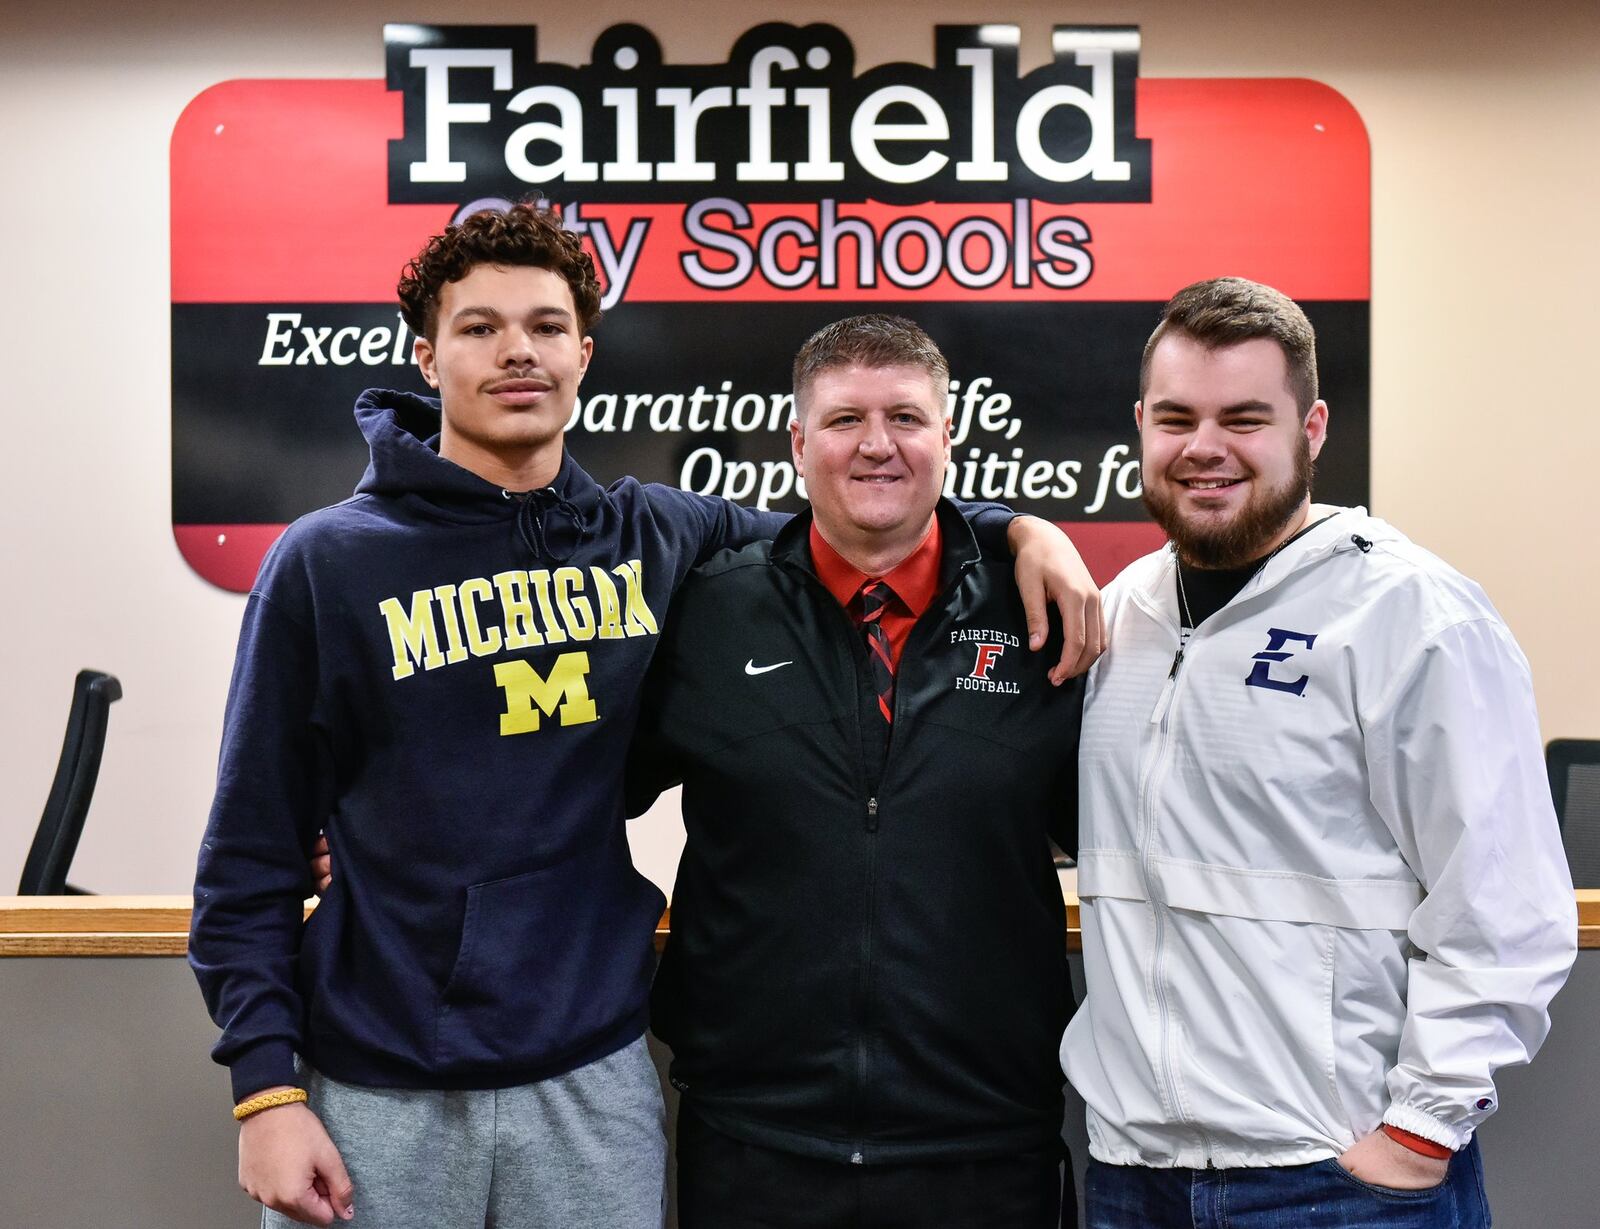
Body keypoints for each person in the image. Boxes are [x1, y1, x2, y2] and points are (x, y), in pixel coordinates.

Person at [189, 204, 1099, 1229]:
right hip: (380, 1077)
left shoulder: (657, 533)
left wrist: (1018, 527)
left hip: (593, 1073)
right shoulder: (325, 561)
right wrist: (265, 1088)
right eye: (479, 326)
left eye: (542, 325)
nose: (515, 351)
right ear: (425, 352)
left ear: (583, 352)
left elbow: (857, 515)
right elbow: (248, 853)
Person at [1061, 276, 1576, 1228]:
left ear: (1315, 427)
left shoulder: (1411, 613)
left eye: (1245, 418)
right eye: (1176, 417)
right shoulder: (1123, 610)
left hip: (1335, 1183)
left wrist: (1419, 1132)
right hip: (1134, 1175)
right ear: (1140, 423)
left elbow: (1506, 906)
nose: (1205, 447)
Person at [628, 315, 1084, 1228]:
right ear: (799, 442)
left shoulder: (1044, 613)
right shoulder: (709, 608)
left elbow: (1126, 830)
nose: (877, 445)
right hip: (756, 1140)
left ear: (948, 436)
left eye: (907, 418)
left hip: (986, 1143)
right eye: (844, 421)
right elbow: (565, 790)